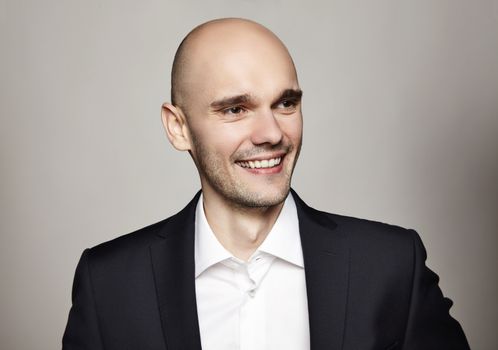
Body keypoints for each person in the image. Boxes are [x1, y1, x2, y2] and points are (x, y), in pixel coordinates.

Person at [62, 18, 470, 350]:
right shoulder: (109, 284)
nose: (271, 133)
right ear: (178, 127)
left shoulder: (391, 266)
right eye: (236, 108)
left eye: (285, 103)